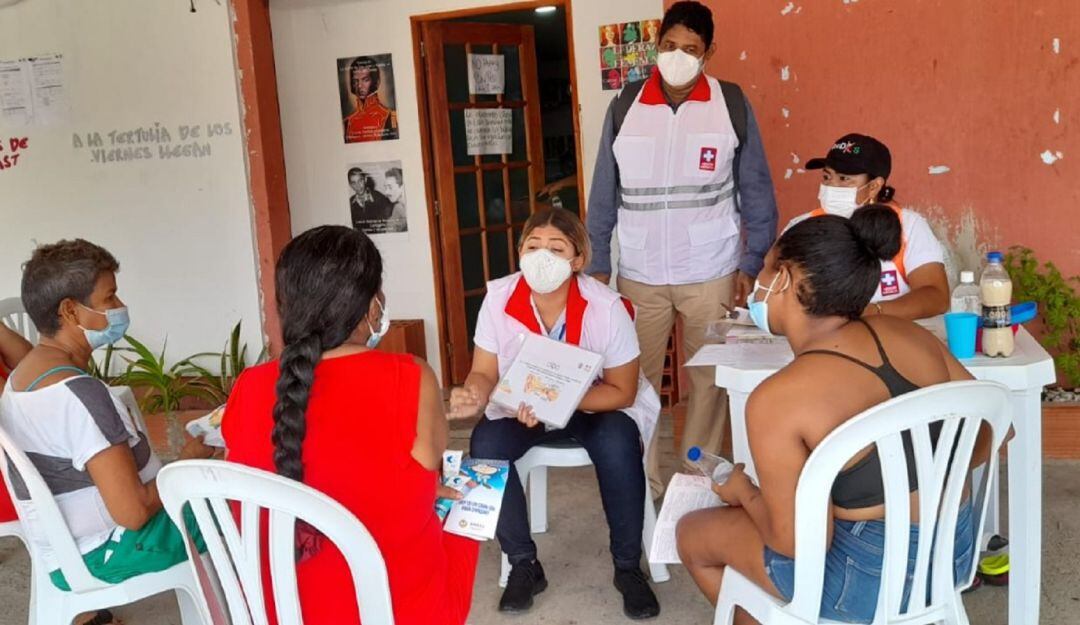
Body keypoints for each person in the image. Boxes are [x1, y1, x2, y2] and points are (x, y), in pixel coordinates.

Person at [675, 206, 986, 624]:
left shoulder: (777, 399)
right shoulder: (914, 337)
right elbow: (994, 434)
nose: (756, 286)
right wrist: (918, 474)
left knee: (693, 534)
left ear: (786, 278)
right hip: (954, 554)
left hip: (866, 582)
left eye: (765, 271)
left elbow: (796, 545)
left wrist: (741, 491)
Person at [222, 225, 479, 625]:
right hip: (394, 610)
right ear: (371, 305)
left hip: (276, 609)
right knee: (471, 510)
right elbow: (429, 458)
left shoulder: (249, 386)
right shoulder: (409, 375)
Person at [587, 0, 778, 495]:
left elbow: (755, 187)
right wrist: (599, 265)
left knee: (710, 385)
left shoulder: (729, 103)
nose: (678, 57)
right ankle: (641, 484)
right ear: (656, 46)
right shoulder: (626, 105)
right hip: (639, 273)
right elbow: (604, 191)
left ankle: (696, 487)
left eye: (690, 49)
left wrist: (752, 261)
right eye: (669, 46)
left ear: (709, 52)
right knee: (633, 382)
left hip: (710, 269)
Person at [453, 209, 661, 619]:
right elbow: (483, 371)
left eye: (556, 247)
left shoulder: (606, 307)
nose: (541, 256)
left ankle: (626, 567)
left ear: (578, 259)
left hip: (594, 405)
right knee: (485, 444)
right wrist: (472, 394)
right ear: (518, 253)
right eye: (533, 246)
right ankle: (523, 563)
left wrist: (558, 403)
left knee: (618, 444)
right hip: (524, 407)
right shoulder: (498, 299)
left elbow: (622, 391)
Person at [0, 239, 214, 625]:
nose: (120, 308)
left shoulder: (22, 376)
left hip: (66, 549)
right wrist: (181, 466)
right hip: (109, 550)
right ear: (70, 310)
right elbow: (132, 513)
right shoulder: (80, 396)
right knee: (245, 511)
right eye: (110, 298)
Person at [785, 133, 949, 319]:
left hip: (890, 337)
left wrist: (872, 311)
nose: (831, 186)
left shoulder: (908, 225)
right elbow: (776, 292)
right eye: (826, 176)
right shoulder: (801, 227)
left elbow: (936, 296)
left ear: (874, 186)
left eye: (844, 179)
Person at [343, 56, 397, 143]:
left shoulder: (390, 117)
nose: (359, 86)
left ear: (376, 82)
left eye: (365, 80)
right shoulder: (347, 123)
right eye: (355, 81)